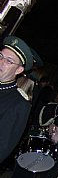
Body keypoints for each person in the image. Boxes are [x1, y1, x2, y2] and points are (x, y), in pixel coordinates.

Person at [0, 36, 34, 164]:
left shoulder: (18, 104)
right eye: (0, 56)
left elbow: (2, 147)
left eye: (9, 61)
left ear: (19, 70)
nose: (1, 62)